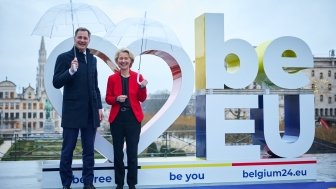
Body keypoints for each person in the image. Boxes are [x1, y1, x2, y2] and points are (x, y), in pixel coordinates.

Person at [53, 27, 103, 189]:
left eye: (85, 38)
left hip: (90, 112)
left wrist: (100, 107)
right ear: (74, 38)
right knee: (68, 150)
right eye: (79, 37)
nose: (82, 40)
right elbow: (56, 82)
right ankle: (66, 184)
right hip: (72, 111)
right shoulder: (64, 57)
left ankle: (88, 183)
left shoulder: (93, 59)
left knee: (89, 151)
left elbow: (95, 86)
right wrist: (70, 71)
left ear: (89, 40)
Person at [105, 48, 148, 189]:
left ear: (131, 61)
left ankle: (131, 184)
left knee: (132, 153)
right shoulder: (112, 78)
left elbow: (142, 98)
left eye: (126, 58)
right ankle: (119, 183)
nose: (123, 61)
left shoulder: (138, 77)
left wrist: (142, 87)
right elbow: (108, 99)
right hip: (117, 119)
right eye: (120, 58)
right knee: (117, 153)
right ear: (117, 61)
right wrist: (116, 99)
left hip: (133, 119)